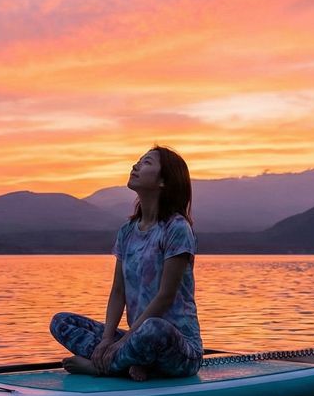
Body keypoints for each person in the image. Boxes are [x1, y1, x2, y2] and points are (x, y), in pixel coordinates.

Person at [50, 145, 201, 381]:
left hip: (178, 349)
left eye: (147, 162)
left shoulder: (177, 228)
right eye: (139, 160)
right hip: (133, 339)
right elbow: (118, 291)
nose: (136, 165)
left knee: (154, 328)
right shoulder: (127, 231)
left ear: (164, 181)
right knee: (62, 322)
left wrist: (125, 340)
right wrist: (109, 339)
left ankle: (104, 367)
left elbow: (165, 296)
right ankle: (128, 362)